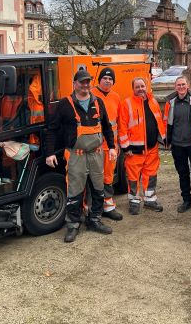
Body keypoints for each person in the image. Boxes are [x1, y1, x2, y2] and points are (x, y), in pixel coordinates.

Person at [45, 70, 117, 243]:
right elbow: (52, 130)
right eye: (82, 82)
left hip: (96, 154)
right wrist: (49, 153)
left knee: (98, 188)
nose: (85, 85)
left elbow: (107, 127)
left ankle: (95, 220)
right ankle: (73, 224)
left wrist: (112, 147)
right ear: (75, 83)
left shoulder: (98, 102)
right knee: (75, 191)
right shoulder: (65, 104)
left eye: (87, 82)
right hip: (76, 155)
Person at [118, 77, 166, 215]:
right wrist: (126, 147)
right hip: (134, 150)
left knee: (151, 175)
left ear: (146, 87)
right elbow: (122, 127)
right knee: (133, 178)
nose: (140, 89)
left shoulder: (153, 102)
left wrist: (162, 139)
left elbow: (159, 122)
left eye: (142, 86)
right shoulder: (127, 103)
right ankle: (134, 201)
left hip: (152, 148)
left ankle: (150, 200)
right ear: (133, 89)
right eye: (137, 87)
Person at [163, 76, 191, 216]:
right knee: (183, 174)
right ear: (175, 87)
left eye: (183, 84)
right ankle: (186, 201)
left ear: (188, 85)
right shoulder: (170, 102)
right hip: (177, 145)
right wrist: (167, 139)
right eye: (179, 85)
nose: (181, 87)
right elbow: (166, 121)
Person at [91, 67, 124, 221]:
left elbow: (119, 122)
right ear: (99, 80)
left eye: (110, 79)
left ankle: (108, 207)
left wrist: (119, 144)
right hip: (95, 146)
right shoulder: (90, 94)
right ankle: (93, 209)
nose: (107, 81)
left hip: (111, 147)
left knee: (108, 177)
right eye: (105, 78)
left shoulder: (116, 97)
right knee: (94, 178)